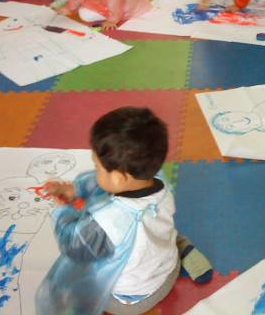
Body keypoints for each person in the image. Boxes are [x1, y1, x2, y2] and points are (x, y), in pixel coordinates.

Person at [35, 107, 212, 315]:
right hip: (168, 269)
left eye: (97, 167)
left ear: (119, 178)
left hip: (132, 300)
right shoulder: (160, 184)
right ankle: (184, 249)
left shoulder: (108, 222)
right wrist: (75, 189)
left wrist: (64, 211)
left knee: (77, 285)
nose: (95, 171)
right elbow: (101, 183)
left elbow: (73, 245)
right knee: (154, 232)